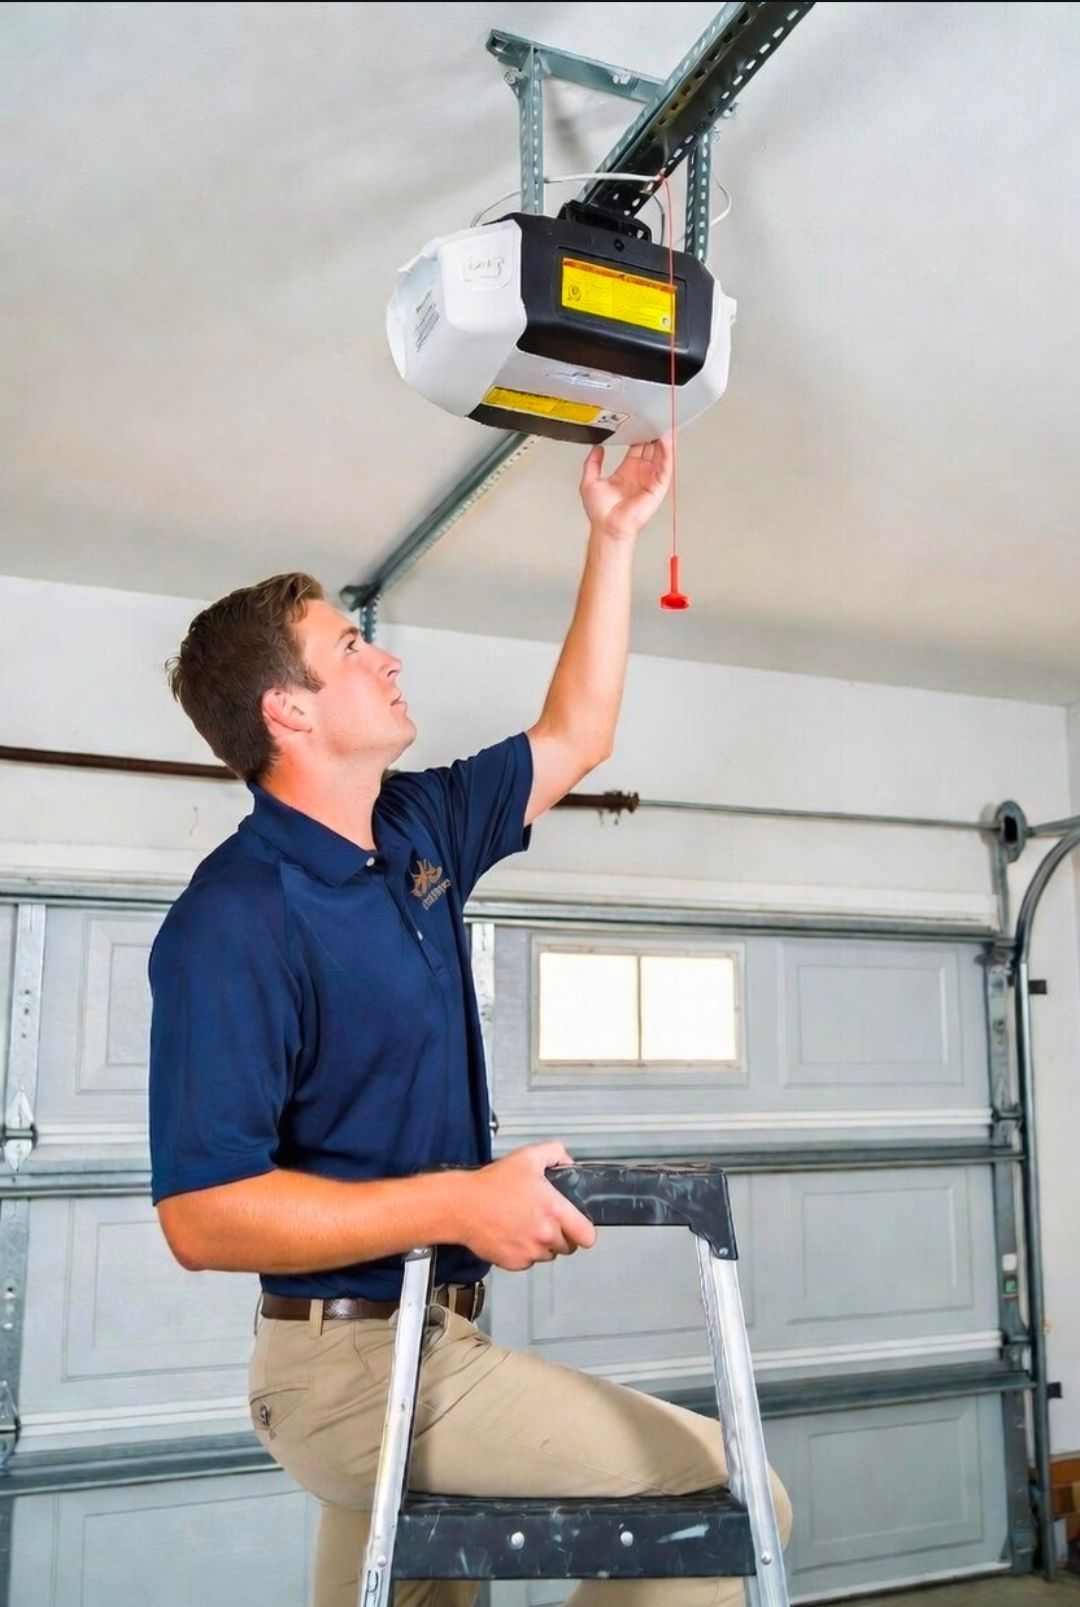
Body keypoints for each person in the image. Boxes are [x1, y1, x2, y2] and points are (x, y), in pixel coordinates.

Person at [149, 436, 791, 1607]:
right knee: (741, 1496)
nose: (382, 654)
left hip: (440, 1344)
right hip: (343, 1368)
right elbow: (201, 1212)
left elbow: (577, 733)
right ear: (288, 710)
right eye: (350, 645)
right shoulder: (235, 915)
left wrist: (612, 535)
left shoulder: (419, 828)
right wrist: (463, 1200)